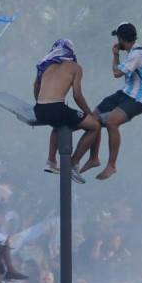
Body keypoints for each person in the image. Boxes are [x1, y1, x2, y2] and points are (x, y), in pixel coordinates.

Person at [86, 22, 142, 180]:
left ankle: (111, 166)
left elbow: (116, 73)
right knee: (93, 117)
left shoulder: (137, 54)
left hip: (140, 98)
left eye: (118, 38)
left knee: (111, 122)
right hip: (126, 93)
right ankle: (93, 158)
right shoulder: (131, 53)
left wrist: (115, 55)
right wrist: (117, 55)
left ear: (122, 39)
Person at [32, 38, 100, 179]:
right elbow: (77, 95)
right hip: (56, 108)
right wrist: (89, 113)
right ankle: (72, 163)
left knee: (59, 125)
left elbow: (36, 87)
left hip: (39, 109)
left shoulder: (46, 65)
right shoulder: (75, 67)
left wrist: (42, 102)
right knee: (94, 126)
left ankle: (51, 161)